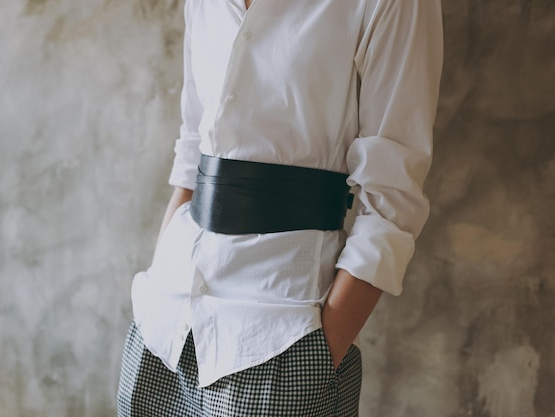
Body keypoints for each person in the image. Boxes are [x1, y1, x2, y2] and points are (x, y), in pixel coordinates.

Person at [117, 0, 443, 415]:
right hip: (162, 324)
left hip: (280, 337)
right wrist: (158, 276)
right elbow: (193, 151)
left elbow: (392, 198)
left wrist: (322, 353)